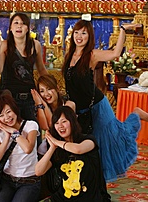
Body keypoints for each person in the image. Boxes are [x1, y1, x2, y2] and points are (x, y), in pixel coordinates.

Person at [62, 18, 148, 182]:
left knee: (110, 140)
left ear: (90, 36)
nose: (79, 36)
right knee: (86, 142)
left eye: (84, 33)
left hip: (98, 106)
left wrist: (122, 29)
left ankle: (136, 114)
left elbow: (115, 53)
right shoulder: (69, 55)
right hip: (79, 109)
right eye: (77, 32)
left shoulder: (92, 55)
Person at [35, 106, 110, 202]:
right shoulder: (58, 149)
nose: (60, 126)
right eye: (56, 123)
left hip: (90, 197)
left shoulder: (88, 140)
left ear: (73, 122)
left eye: (64, 121)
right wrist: (52, 148)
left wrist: (56, 142)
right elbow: (38, 171)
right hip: (64, 198)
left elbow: (78, 149)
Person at [0, 92, 41, 202]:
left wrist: (13, 132)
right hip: (7, 180)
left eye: (8, 112)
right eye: (1, 115)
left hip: (29, 182)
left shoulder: (31, 125)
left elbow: (28, 148)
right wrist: (7, 137)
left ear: (15, 109)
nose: (7, 118)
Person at [0, 12, 48, 121]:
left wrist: (51, 87)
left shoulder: (35, 45)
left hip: (30, 97)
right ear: (10, 27)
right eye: (16, 23)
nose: (19, 26)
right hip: (10, 98)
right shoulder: (5, 45)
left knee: (34, 131)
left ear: (28, 28)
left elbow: (41, 69)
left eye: (23, 23)